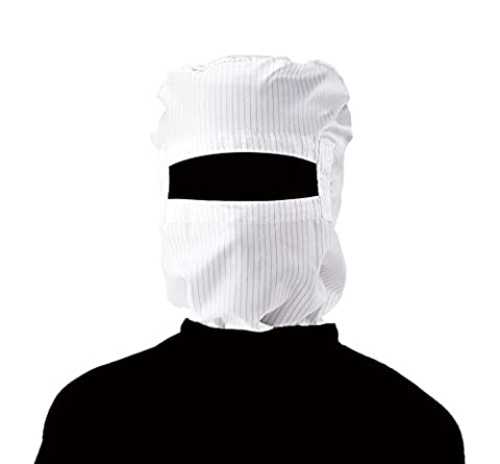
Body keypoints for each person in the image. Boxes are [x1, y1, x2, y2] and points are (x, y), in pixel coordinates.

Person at [34, 55, 465, 463]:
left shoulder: (93, 414)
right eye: (208, 182)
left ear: (328, 191)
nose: (237, 209)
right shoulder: (412, 424)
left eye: (272, 181)